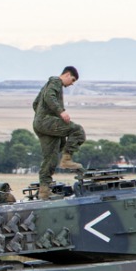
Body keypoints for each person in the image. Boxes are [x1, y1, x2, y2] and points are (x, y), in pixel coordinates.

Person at [32, 66, 85, 196]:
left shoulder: (49, 84)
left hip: (40, 124)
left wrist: (41, 117)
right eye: (72, 80)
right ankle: (67, 159)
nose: (72, 83)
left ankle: (44, 190)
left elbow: (35, 103)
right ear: (67, 74)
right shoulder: (56, 82)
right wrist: (60, 112)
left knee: (51, 157)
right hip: (46, 121)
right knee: (78, 131)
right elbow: (50, 97)